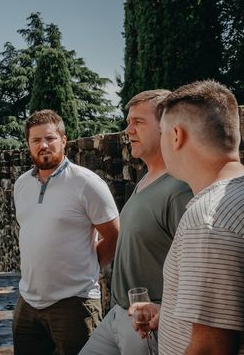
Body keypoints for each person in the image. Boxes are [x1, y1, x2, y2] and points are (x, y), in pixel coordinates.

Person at [131, 80, 244, 354]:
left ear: (176, 136)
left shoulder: (205, 219)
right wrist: (169, 313)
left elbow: (210, 349)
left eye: (161, 132)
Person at [79, 90, 192, 355]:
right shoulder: (144, 179)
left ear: (166, 127)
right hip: (118, 313)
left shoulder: (180, 189)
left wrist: (166, 313)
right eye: (128, 122)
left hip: (148, 323)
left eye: (138, 122)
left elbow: (196, 265)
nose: (128, 131)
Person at [13, 109, 120, 355]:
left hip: (75, 302)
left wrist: (90, 268)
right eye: (36, 140)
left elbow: (114, 235)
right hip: (28, 302)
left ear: (63, 139)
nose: (43, 145)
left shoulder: (86, 183)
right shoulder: (21, 185)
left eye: (50, 138)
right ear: (29, 145)